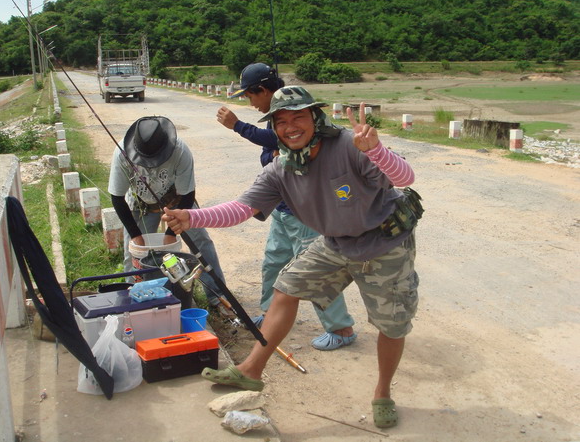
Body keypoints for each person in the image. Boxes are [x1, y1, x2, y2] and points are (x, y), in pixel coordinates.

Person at [162, 86, 422, 429]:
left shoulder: (349, 144)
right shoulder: (280, 168)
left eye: (298, 116)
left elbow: (404, 177)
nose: (290, 127)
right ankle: (251, 371)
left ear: (314, 117)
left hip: (384, 244)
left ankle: (382, 392)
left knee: (391, 325)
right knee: (286, 287)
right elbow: (241, 209)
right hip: (337, 243)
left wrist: (375, 150)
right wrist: (192, 217)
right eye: (280, 121)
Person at [216, 63, 356, 350]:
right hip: (283, 208)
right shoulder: (274, 117)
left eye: (249, 96)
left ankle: (341, 329)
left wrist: (237, 125)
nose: (249, 102)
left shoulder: (294, 116)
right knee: (274, 262)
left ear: (263, 91)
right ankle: (270, 315)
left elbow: (277, 139)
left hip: (306, 211)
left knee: (315, 272)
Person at [108, 116, 229, 312]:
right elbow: (117, 197)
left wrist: (171, 233)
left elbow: (187, 194)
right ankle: (132, 297)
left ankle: (217, 296)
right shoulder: (121, 153)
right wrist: (136, 235)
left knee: (201, 241)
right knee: (132, 252)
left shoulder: (180, 151)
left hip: (176, 201)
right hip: (141, 203)